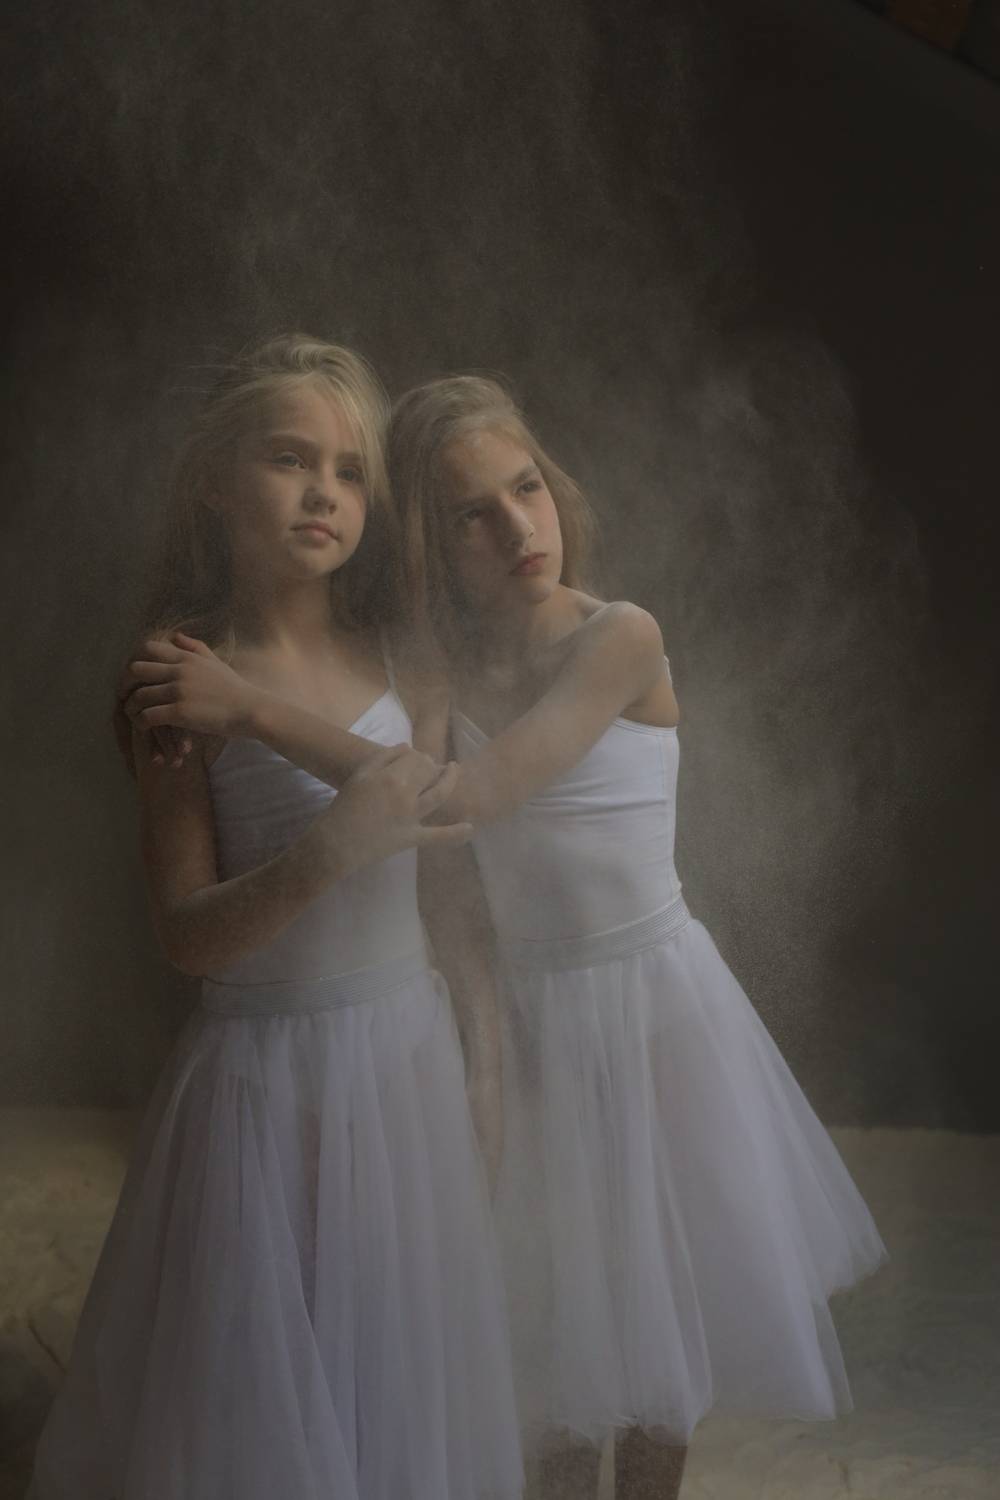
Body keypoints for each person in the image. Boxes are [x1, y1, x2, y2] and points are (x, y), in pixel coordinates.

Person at [121, 370, 888, 1500]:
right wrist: (476, 1031)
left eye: (526, 489)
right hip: (529, 1021)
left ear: (556, 488)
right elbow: (445, 879)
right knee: (556, 1330)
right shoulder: (439, 672)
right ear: (430, 548)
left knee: (653, 1313)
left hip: (647, 1011)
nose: (517, 527)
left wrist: (249, 709)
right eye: (472, 516)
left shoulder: (620, 636)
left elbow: (456, 804)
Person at [30, 337, 523, 1500]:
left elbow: (444, 861)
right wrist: (322, 855)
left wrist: (485, 1048)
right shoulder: (179, 677)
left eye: (349, 471)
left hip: (402, 1063)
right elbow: (187, 935)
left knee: (390, 1360)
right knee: (265, 1382)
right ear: (216, 479)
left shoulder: (402, 656)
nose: (323, 494)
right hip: (261, 1082)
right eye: (290, 460)